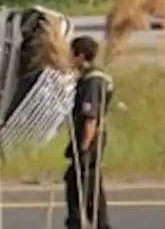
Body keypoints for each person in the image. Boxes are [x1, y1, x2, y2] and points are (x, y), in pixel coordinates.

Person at [64, 36, 113, 229]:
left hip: (91, 139)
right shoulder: (92, 77)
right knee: (86, 183)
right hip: (92, 137)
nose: (69, 59)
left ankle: (88, 223)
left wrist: (84, 148)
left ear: (81, 56)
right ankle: (94, 223)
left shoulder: (93, 80)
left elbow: (90, 118)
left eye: (72, 55)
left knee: (83, 184)